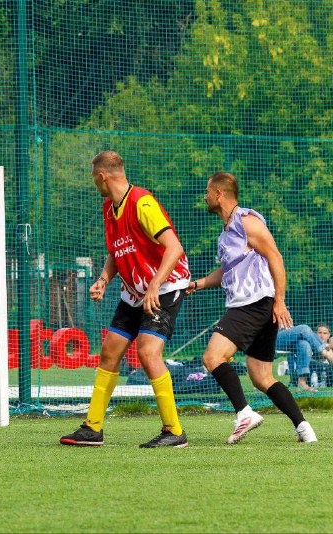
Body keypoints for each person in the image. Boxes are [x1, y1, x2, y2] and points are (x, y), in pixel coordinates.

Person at [60, 151, 190, 448]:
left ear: (102, 177)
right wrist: (104, 280)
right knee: (110, 350)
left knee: (147, 352)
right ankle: (92, 428)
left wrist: (155, 285)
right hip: (135, 291)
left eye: (95, 179)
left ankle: (174, 431)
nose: (95, 185)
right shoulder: (109, 208)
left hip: (166, 285)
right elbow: (118, 250)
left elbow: (174, 247)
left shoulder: (141, 202)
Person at [188, 171, 317, 443]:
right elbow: (225, 272)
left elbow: (276, 257)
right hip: (253, 306)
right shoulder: (225, 236)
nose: (205, 196)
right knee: (261, 376)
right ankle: (305, 429)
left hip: (254, 304)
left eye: (208, 191)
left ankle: (244, 414)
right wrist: (196, 284)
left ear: (219, 194)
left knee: (212, 357)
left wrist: (279, 301)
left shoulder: (246, 221)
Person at [276, 324, 333, 391]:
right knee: (304, 328)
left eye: (325, 333)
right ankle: (325, 353)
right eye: (319, 333)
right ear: (315, 333)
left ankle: (301, 382)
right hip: (271, 337)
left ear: (329, 335)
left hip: (288, 337)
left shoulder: (318, 342)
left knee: (304, 344)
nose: (322, 335)